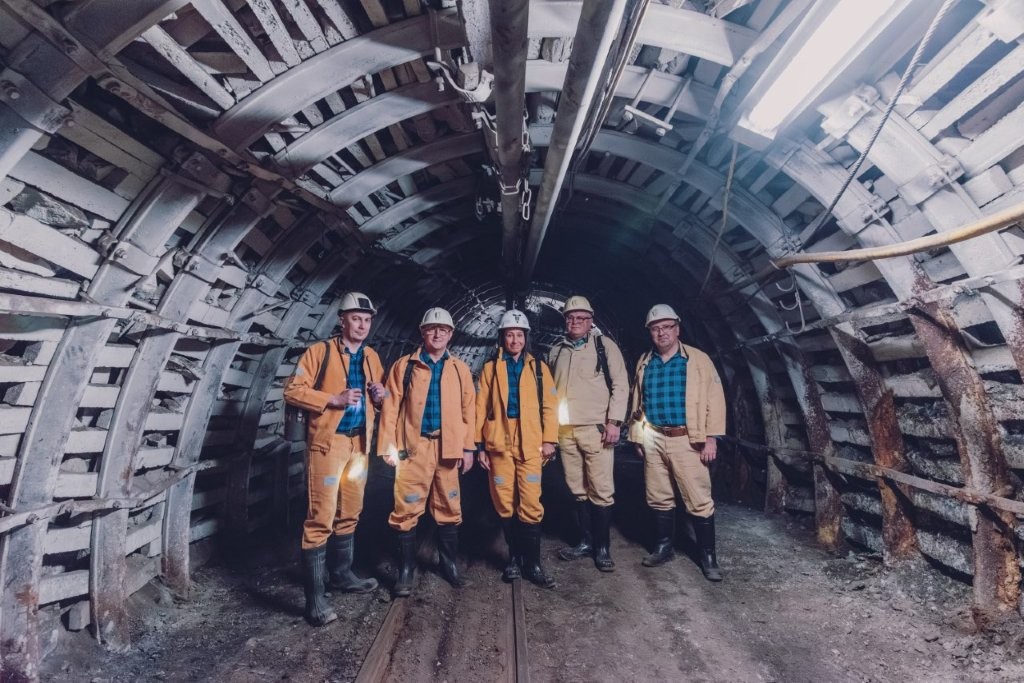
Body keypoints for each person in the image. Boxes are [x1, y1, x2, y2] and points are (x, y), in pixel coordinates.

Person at [283, 292, 385, 626]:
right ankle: (315, 601)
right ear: (342, 320)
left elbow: (380, 399)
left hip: (359, 444)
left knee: (350, 511)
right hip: (328, 445)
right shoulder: (320, 352)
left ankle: (342, 575)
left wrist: (381, 396)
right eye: (356, 318)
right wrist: (332, 399)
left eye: (367, 320)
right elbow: (293, 390)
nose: (362, 325)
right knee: (320, 518)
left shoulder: (371, 357)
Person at [378, 307, 476, 597]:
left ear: (450, 335)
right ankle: (406, 570)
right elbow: (391, 408)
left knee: (449, 508)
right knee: (405, 509)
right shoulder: (404, 366)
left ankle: (449, 565)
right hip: (413, 448)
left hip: (448, 447)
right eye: (432, 329)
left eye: (443, 329)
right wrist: (387, 445)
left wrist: (468, 448)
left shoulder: (459, 369)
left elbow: (469, 411)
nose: (437, 334)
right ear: (422, 332)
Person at [626, 304, 726, 581]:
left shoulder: (697, 360)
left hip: (688, 440)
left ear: (677, 329)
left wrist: (711, 438)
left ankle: (708, 558)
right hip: (654, 437)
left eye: (667, 327)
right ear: (650, 332)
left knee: (698, 498)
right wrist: (637, 436)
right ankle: (664, 547)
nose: (662, 333)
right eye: (655, 328)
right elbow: (637, 401)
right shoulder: (645, 361)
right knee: (658, 495)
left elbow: (716, 400)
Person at [475, 309, 559, 588]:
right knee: (504, 501)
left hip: (531, 440)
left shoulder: (539, 369)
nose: (515, 340)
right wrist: (479, 447)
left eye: (519, 335)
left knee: (531, 502)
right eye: (510, 335)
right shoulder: (490, 369)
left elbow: (550, 407)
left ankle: (533, 564)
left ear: (526, 338)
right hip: (499, 440)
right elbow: (480, 409)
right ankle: (514, 559)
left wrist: (549, 439)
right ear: (502, 338)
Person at [547, 295, 629, 572]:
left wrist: (614, 422)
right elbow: (549, 393)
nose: (575, 322)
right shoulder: (556, 350)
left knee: (601, 489)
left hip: (596, 430)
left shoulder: (604, 346)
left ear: (590, 320)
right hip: (566, 431)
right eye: (570, 318)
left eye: (581, 318)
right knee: (576, 487)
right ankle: (585, 542)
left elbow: (620, 385)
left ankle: (602, 548)